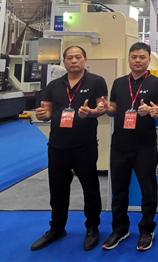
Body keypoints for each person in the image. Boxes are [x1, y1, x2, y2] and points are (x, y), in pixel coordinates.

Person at [31, 46, 108, 252]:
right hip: (57, 146)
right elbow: (47, 111)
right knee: (57, 190)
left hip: (84, 145)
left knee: (90, 189)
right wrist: (42, 115)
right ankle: (57, 228)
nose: (74, 61)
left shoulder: (96, 81)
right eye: (69, 58)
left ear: (85, 60)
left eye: (78, 57)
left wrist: (92, 111)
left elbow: (101, 108)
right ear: (64, 62)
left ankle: (92, 227)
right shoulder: (54, 85)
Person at [102, 42, 158, 251]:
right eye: (134, 57)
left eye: (142, 57)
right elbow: (113, 109)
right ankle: (119, 228)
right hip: (120, 145)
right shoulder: (119, 83)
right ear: (129, 59)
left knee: (148, 190)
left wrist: (153, 111)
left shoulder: (157, 83)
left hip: (145, 146)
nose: (137, 60)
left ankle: (147, 229)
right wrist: (105, 108)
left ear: (148, 60)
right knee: (119, 190)